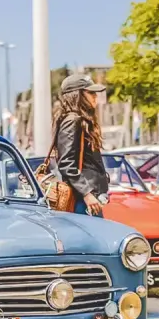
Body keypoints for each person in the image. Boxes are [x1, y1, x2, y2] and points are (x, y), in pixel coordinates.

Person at [53, 74, 109, 216]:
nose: (95, 96)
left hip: (90, 198)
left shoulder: (81, 121)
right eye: (90, 92)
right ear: (77, 95)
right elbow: (66, 163)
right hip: (82, 200)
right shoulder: (72, 120)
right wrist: (86, 193)